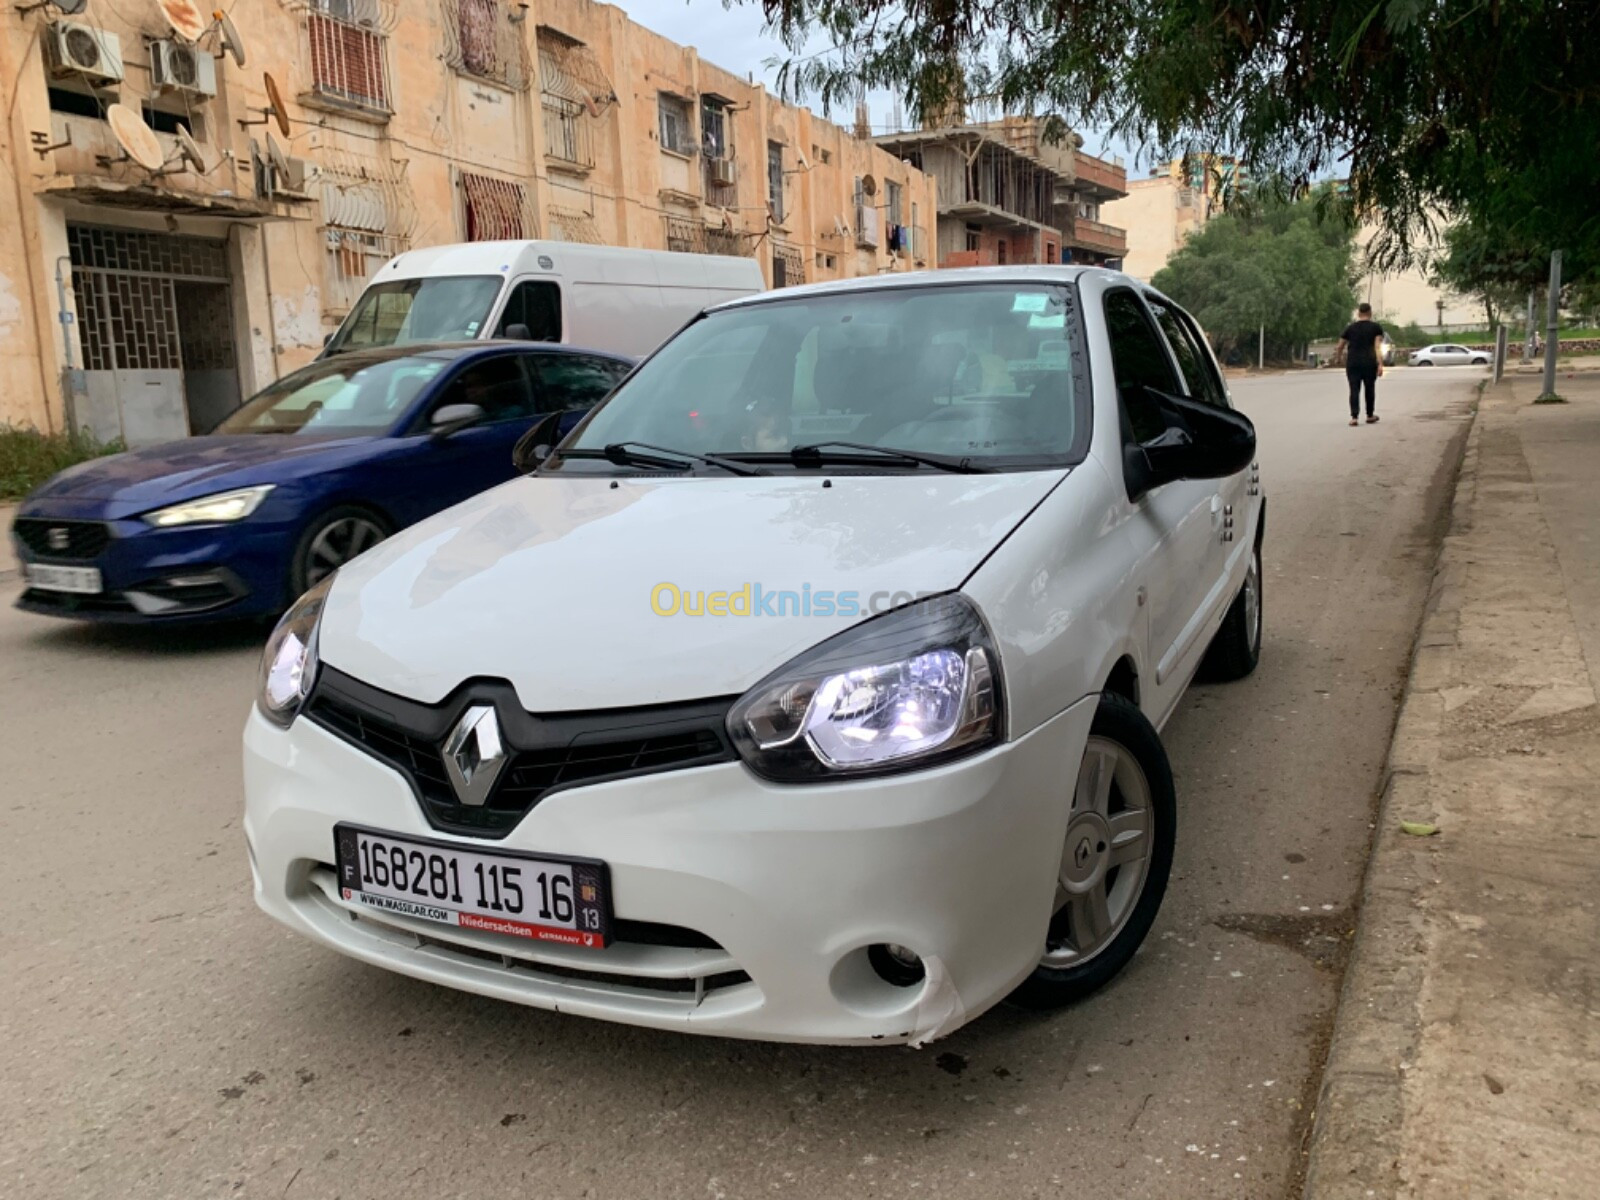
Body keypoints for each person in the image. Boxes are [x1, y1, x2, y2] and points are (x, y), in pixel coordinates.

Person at [1335, 303, 1386, 426]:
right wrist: (1380, 364)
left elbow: (1340, 346)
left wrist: (1338, 358)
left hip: (1353, 363)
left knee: (1354, 389)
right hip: (1369, 363)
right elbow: (1377, 346)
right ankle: (1369, 415)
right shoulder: (1376, 328)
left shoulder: (1350, 328)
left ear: (1358, 313)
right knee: (1369, 388)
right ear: (1370, 313)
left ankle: (1354, 417)